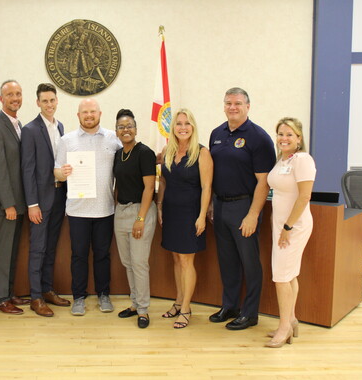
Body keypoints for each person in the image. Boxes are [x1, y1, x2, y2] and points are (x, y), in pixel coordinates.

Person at [208, 87, 276, 330]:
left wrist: (253, 214)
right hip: (221, 205)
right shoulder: (217, 133)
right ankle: (230, 306)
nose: (232, 107)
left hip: (244, 206)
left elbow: (264, 181)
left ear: (248, 106)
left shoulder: (259, 137)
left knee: (249, 262)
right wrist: (212, 205)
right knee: (227, 261)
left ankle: (250, 313)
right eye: (228, 103)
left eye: (237, 103)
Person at [54, 98, 121, 316]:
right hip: (77, 210)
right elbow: (56, 171)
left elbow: (128, 159)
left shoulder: (113, 138)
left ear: (100, 113)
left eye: (93, 111)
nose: (89, 115)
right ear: (78, 115)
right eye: (85, 112)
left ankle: (104, 294)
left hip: (105, 209)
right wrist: (61, 173)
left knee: (103, 255)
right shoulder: (67, 140)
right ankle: (79, 297)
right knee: (78, 255)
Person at [158, 109, 213, 329]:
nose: (182, 127)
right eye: (178, 123)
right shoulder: (167, 150)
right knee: (176, 259)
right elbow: (163, 183)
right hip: (171, 212)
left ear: (193, 127)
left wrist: (201, 215)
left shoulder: (202, 153)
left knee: (186, 260)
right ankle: (178, 301)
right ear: (173, 128)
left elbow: (207, 186)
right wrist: (160, 206)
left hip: (191, 214)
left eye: (187, 123)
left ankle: (187, 308)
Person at [21, 83, 70, 317]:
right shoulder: (30, 130)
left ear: (57, 101)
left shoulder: (60, 127)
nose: (49, 104)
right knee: (38, 249)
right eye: (45, 101)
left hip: (60, 196)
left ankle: (48, 289)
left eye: (52, 100)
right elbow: (28, 169)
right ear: (38, 103)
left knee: (51, 248)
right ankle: (36, 297)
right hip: (39, 201)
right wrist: (32, 204)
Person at [265, 117, 315, 348]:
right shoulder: (283, 159)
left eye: (289, 135)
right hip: (281, 226)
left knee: (281, 277)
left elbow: (304, 196)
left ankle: (284, 327)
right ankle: (291, 319)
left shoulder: (303, 160)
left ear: (299, 138)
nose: (284, 138)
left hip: (293, 226)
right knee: (289, 274)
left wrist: (287, 227)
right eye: (281, 134)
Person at [0, 80, 29, 315]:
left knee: (11, 252)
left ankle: (8, 292)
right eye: (10, 94)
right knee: (1, 253)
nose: (15, 98)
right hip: (4, 205)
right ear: (1, 99)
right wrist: (8, 204)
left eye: (18, 94)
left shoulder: (17, 124)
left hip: (18, 203)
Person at [112, 109, 157, 328]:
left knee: (139, 263)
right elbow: (117, 185)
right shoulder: (117, 154)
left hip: (141, 210)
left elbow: (149, 187)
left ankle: (143, 310)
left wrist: (140, 218)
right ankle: (134, 303)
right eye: (121, 127)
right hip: (121, 212)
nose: (126, 130)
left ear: (136, 129)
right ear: (116, 132)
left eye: (129, 126)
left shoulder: (144, 153)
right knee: (127, 262)